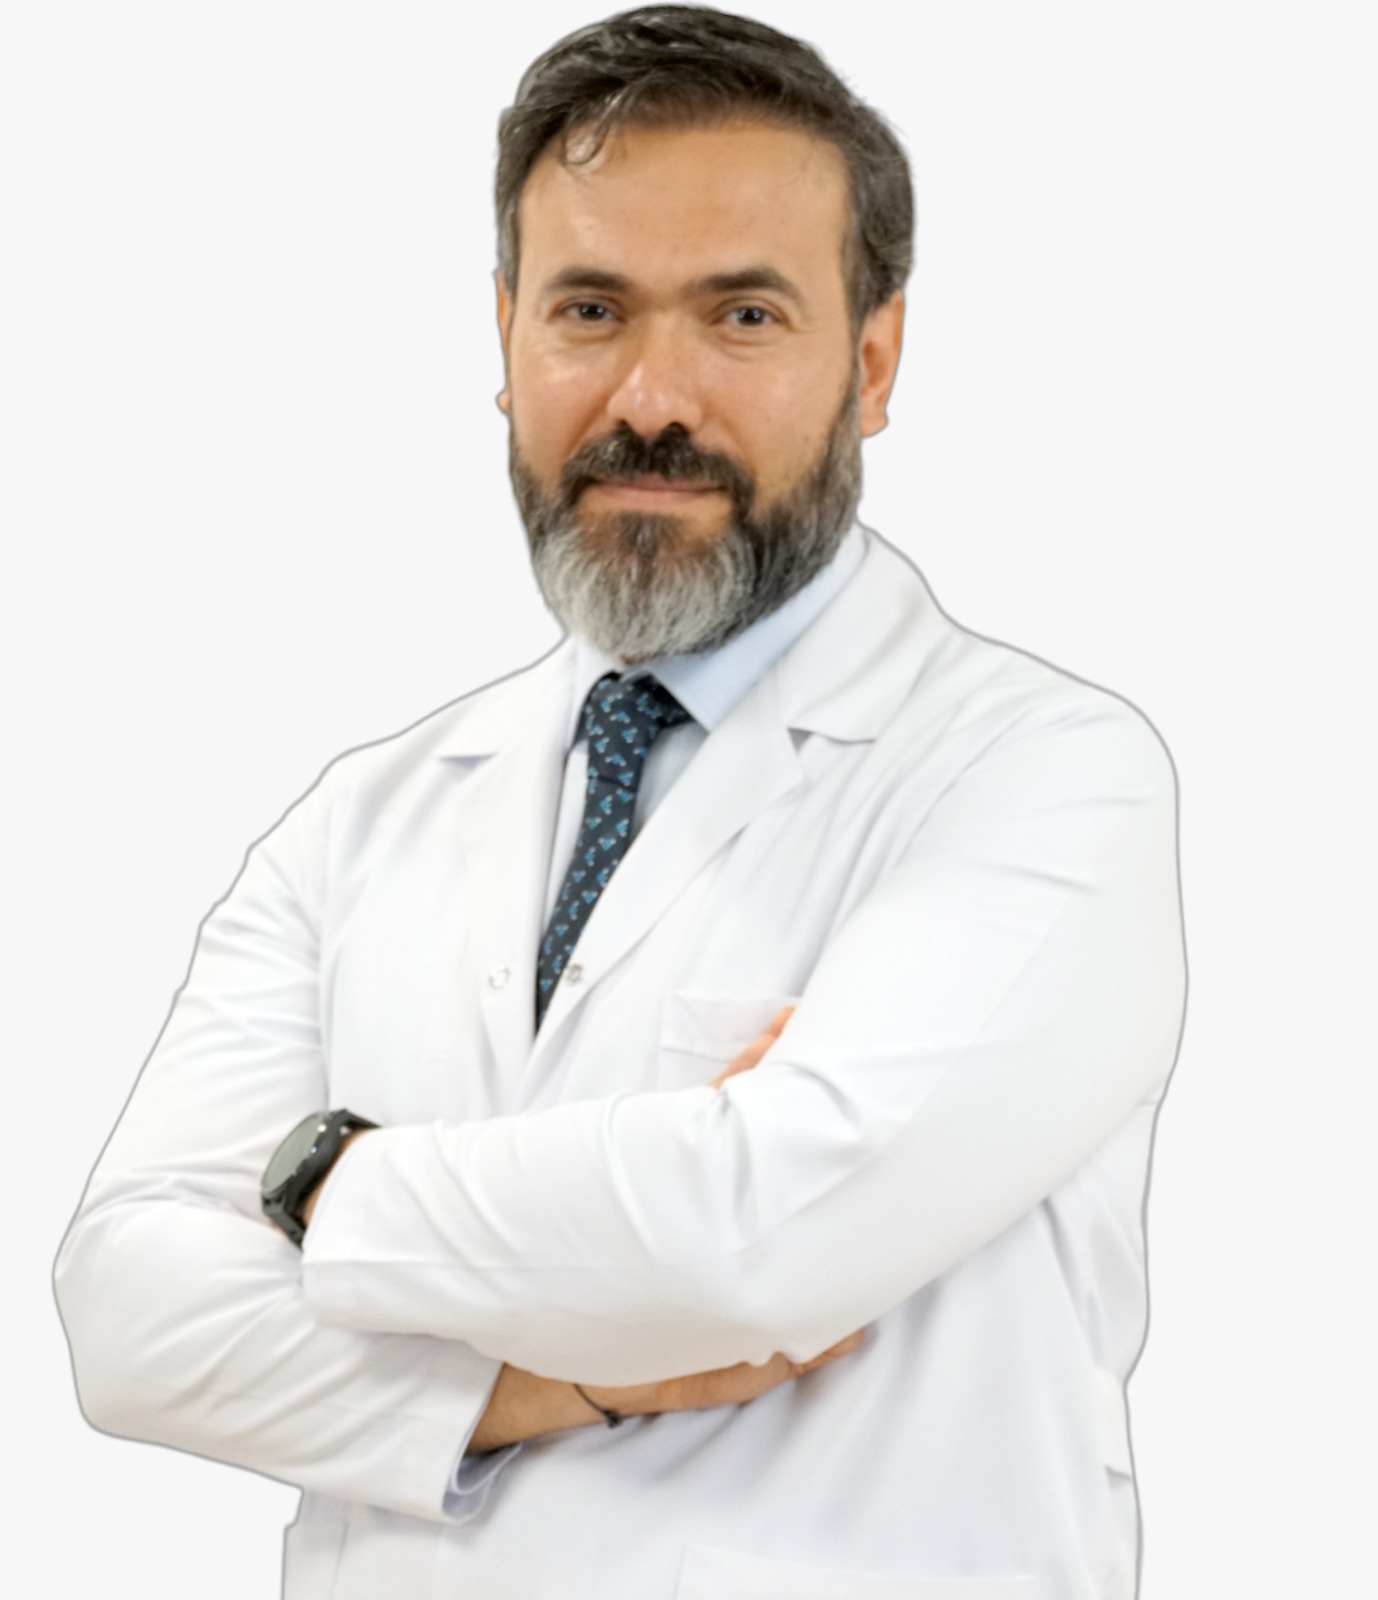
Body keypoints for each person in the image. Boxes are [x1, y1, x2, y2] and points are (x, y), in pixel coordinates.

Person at [55, 7, 1186, 1598]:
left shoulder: (1041, 776)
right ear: (505, 335)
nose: (653, 396)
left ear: (870, 363)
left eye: (742, 316)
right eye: (589, 309)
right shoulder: (359, 819)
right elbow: (126, 1318)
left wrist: (319, 1184)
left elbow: (755, 1242)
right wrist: (550, 1382)